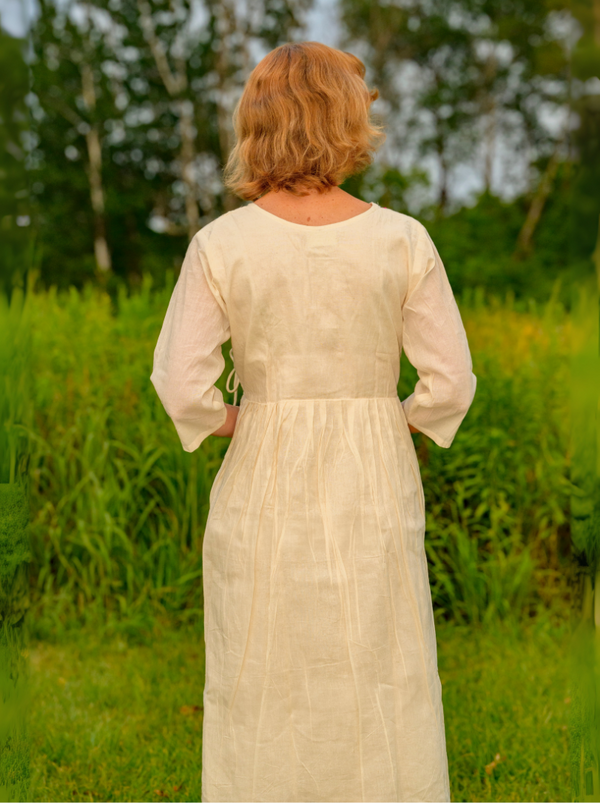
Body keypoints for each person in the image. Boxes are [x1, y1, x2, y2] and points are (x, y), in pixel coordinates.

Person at [150, 40, 477, 803]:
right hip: (372, 466)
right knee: (380, 656)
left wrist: (236, 419)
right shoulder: (402, 238)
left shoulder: (221, 243)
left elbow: (180, 381)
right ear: (347, 118)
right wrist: (393, 418)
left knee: (262, 659)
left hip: (263, 466)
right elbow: (450, 381)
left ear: (256, 122)